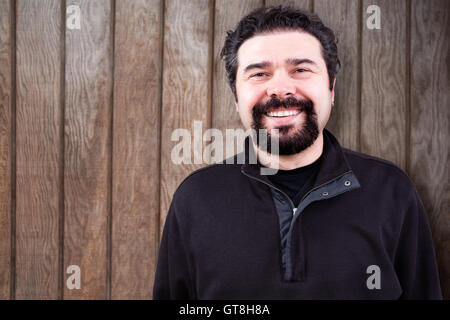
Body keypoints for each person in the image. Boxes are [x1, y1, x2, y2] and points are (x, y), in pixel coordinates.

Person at [153, 6, 442, 299]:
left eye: (301, 70)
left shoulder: (391, 191)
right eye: (259, 73)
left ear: (331, 88)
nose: (280, 88)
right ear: (236, 98)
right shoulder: (197, 198)